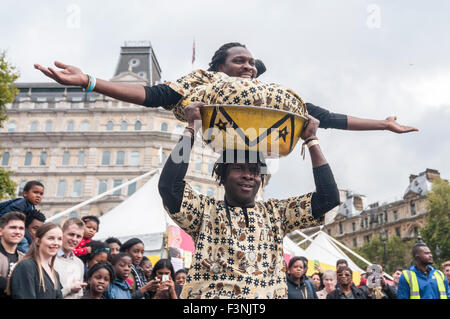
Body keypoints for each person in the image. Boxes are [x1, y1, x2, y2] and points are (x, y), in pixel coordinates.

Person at [158, 102, 340, 299]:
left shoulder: (276, 214)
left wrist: (312, 140)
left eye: (255, 171)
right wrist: (191, 128)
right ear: (222, 175)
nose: (248, 176)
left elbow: (328, 199)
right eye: (239, 168)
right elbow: (169, 187)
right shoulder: (204, 211)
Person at [35, 42, 418, 134]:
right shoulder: (201, 81)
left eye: (252, 63)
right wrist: (88, 81)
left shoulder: (269, 93)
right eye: (240, 61)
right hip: (219, 153)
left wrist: (383, 125)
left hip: (260, 154)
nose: (249, 66)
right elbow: (152, 96)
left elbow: (324, 116)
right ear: (219, 66)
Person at [8, 222, 63, 299]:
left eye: (59, 239)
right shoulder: (26, 267)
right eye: (51, 238)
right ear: (38, 241)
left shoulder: (54, 273)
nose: (56, 243)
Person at [0, 181, 45, 253]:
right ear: (25, 194)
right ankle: (26, 258)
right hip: (3, 226)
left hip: (10, 227)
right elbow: (17, 223)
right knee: (23, 241)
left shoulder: (31, 207)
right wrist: (30, 240)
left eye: (41, 194)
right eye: (35, 192)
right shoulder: (21, 203)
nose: (38, 196)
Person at [54, 218, 86, 299]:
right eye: (71, 234)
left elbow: (79, 295)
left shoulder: (79, 263)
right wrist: (69, 289)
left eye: (78, 236)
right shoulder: (49, 259)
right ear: (62, 233)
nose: (74, 239)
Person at [0, 212, 26, 298]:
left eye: (21, 228)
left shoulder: (24, 258)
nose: (17, 232)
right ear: (1, 231)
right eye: (13, 228)